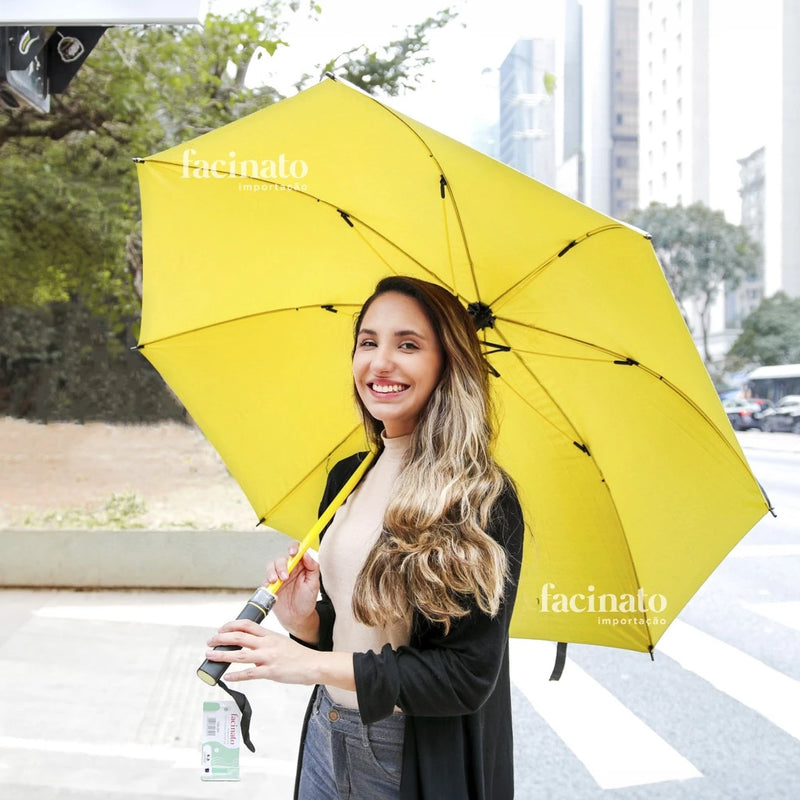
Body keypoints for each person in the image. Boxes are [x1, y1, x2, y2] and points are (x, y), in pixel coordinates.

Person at [205, 275, 524, 799]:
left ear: (449, 364)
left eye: (408, 345)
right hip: (328, 729)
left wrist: (307, 663)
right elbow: (365, 637)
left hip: (404, 749)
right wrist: (305, 621)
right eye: (368, 342)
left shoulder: (478, 497)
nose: (380, 363)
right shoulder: (349, 476)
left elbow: (466, 676)